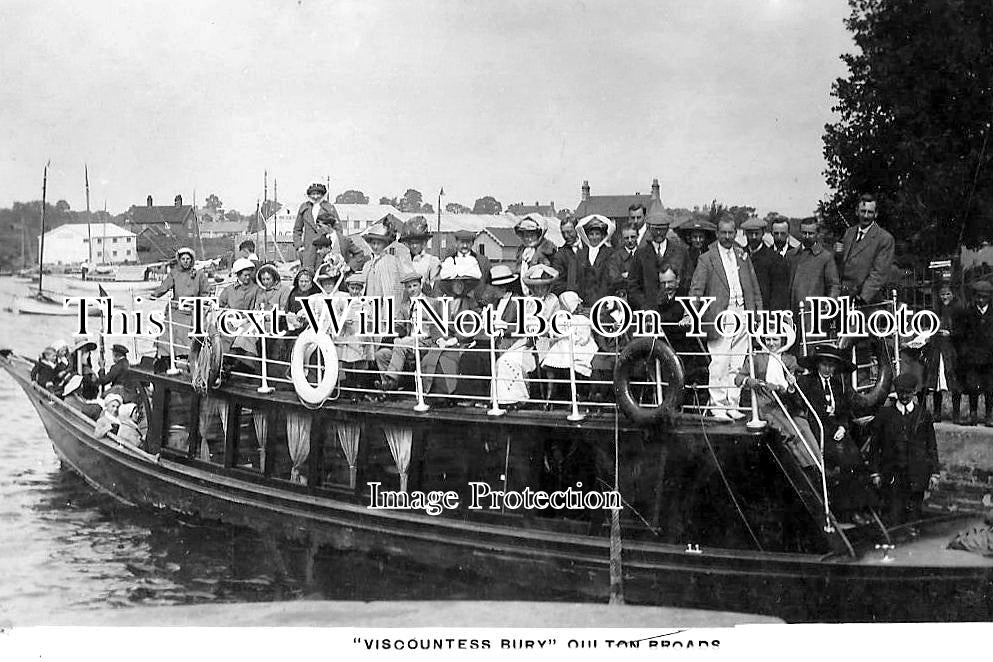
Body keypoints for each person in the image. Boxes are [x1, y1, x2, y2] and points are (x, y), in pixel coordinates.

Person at [685, 217, 763, 421]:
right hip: (720, 315)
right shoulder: (707, 258)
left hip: (742, 313)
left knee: (737, 362)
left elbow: (754, 287)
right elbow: (696, 289)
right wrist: (690, 313)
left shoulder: (742, 255)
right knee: (719, 361)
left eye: (731, 233)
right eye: (724, 233)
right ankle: (717, 405)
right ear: (717, 233)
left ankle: (733, 404)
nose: (727, 237)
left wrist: (757, 314)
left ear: (735, 233)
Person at [797, 346, 874, 523]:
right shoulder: (806, 382)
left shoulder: (837, 385)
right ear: (817, 365)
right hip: (817, 428)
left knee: (857, 460)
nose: (827, 369)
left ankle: (861, 507)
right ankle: (848, 512)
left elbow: (843, 411)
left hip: (836, 429)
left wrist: (842, 427)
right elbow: (795, 401)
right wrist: (792, 388)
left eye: (831, 366)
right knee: (844, 462)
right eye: (824, 364)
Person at [735, 324, 819, 471]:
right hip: (767, 404)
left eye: (775, 339)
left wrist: (792, 384)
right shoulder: (756, 358)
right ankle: (806, 469)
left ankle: (818, 465)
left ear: (782, 340)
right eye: (768, 339)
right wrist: (754, 382)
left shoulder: (789, 360)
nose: (771, 343)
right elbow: (738, 379)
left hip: (787, 403)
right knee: (790, 431)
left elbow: (794, 386)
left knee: (804, 426)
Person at [869, 373, 940, 528]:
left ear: (914, 392)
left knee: (914, 515)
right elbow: (874, 446)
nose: (905, 396)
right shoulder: (885, 415)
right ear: (896, 392)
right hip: (893, 474)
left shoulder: (923, 415)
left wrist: (935, 473)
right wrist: (875, 472)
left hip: (917, 474)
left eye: (908, 393)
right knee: (893, 515)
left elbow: (931, 445)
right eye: (901, 392)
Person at [374, 271, 444, 393]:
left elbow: (437, 327)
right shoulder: (405, 306)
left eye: (414, 285)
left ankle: (391, 381)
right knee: (381, 354)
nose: (412, 289)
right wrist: (393, 332)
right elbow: (399, 325)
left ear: (420, 285)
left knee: (401, 344)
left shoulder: (432, 303)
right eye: (409, 287)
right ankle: (389, 386)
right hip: (408, 344)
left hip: (425, 342)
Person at [149, 247, 212, 363]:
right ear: (179, 260)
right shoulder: (174, 273)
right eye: (183, 259)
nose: (186, 261)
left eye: (188, 259)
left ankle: (188, 356)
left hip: (194, 309)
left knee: (192, 327)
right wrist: (155, 295)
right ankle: (166, 355)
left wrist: (200, 304)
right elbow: (165, 286)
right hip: (177, 308)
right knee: (168, 326)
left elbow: (205, 292)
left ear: (192, 260)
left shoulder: (199, 274)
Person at [294, 183, 369, 275]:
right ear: (309, 195)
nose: (316, 197)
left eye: (318, 194)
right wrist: (299, 246)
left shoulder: (329, 208)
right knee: (308, 274)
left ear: (323, 195)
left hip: (325, 247)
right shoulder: (304, 208)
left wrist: (334, 243)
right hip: (308, 248)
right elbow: (297, 229)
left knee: (327, 272)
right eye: (313, 194)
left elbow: (338, 227)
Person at [838, 193, 896, 305]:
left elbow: (879, 274)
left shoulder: (884, 238)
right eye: (863, 211)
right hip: (843, 299)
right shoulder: (849, 233)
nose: (865, 216)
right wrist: (837, 253)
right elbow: (842, 266)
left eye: (870, 212)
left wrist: (863, 297)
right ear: (857, 211)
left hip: (867, 302)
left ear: (876, 214)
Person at [628, 205, 688, 310]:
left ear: (668, 228)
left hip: (674, 312)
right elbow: (633, 285)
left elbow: (687, 282)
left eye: (662, 229)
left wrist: (678, 305)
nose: (659, 233)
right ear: (648, 228)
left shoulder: (680, 252)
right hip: (648, 313)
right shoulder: (640, 254)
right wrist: (644, 305)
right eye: (655, 229)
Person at [788, 218, 841, 337]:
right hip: (793, 312)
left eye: (810, 233)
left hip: (814, 314)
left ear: (817, 234)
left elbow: (834, 285)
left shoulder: (825, 257)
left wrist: (831, 302)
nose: (807, 236)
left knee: (812, 345)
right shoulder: (791, 256)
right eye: (804, 233)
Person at [955, 280, 993, 426]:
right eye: (978, 297)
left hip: (990, 357)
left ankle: (989, 415)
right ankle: (973, 414)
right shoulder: (967, 313)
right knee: (972, 386)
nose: (981, 300)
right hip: (972, 357)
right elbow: (960, 335)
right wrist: (965, 353)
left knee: (990, 387)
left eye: (984, 297)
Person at [923, 285, 963, 423]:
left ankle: (956, 414)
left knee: (954, 381)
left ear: (953, 294)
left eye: (947, 294)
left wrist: (951, 333)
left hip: (952, 350)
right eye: (942, 294)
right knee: (937, 382)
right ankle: (937, 413)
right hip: (938, 349)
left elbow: (963, 331)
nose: (945, 297)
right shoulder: (936, 311)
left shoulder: (958, 311)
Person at [362, 221, 406, 335]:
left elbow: (390, 290)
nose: (375, 246)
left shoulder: (390, 261)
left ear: (385, 244)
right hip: (370, 309)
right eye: (373, 243)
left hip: (384, 311)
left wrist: (389, 316)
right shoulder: (368, 265)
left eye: (379, 243)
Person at [741, 218, 788, 311]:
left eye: (757, 233)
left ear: (763, 233)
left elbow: (778, 294)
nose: (754, 237)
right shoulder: (739, 256)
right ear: (745, 234)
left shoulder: (775, 259)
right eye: (750, 234)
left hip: (765, 313)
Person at [571, 214, 615, 306]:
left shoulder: (610, 253)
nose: (594, 237)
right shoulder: (580, 254)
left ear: (602, 236)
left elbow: (612, 280)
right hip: (584, 303)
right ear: (586, 236)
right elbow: (575, 280)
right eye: (591, 234)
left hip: (604, 302)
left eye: (597, 234)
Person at [512, 214, 557, 295]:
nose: (529, 239)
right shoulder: (522, 251)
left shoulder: (548, 250)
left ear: (539, 234)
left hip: (543, 294)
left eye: (532, 235)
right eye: (526, 236)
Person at [399, 216, 441, 294]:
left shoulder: (432, 262)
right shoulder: (401, 261)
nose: (414, 246)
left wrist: (427, 287)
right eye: (411, 243)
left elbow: (436, 288)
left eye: (417, 242)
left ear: (423, 243)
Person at [443, 229, 490, 296]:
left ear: (472, 243)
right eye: (462, 242)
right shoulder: (448, 261)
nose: (465, 246)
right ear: (456, 243)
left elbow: (488, 283)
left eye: (468, 242)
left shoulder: (483, 261)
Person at [674, 219, 717, 287]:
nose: (698, 240)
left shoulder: (710, 255)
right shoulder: (685, 255)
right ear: (690, 239)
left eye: (701, 237)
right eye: (695, 237)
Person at [551, 217, 583, 295]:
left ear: (577, 230)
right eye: (563, 233)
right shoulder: (560, 255)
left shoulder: (590, 247)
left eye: (569, 232)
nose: (566, 236)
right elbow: (557, 282)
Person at [607, 224, 640, 298]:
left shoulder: (644, 254)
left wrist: (626, 276)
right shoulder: (615, 257)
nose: (630, 241)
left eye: (633, 237)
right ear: (622, 238)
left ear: (638, 236)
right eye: (626, 238)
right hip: (622, 296)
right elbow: (614, 279)